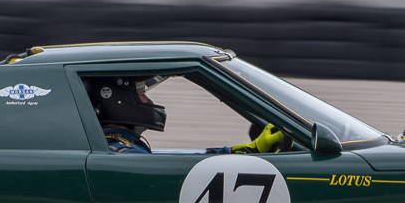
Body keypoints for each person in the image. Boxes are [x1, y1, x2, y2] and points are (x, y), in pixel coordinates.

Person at [83, 75, 289, 154]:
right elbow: (174, 173)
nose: (149, 102)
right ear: (114, 100)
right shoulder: (126, 153)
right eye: (142, 95)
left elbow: (175, 160)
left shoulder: (117, 145)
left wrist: (248, 151)